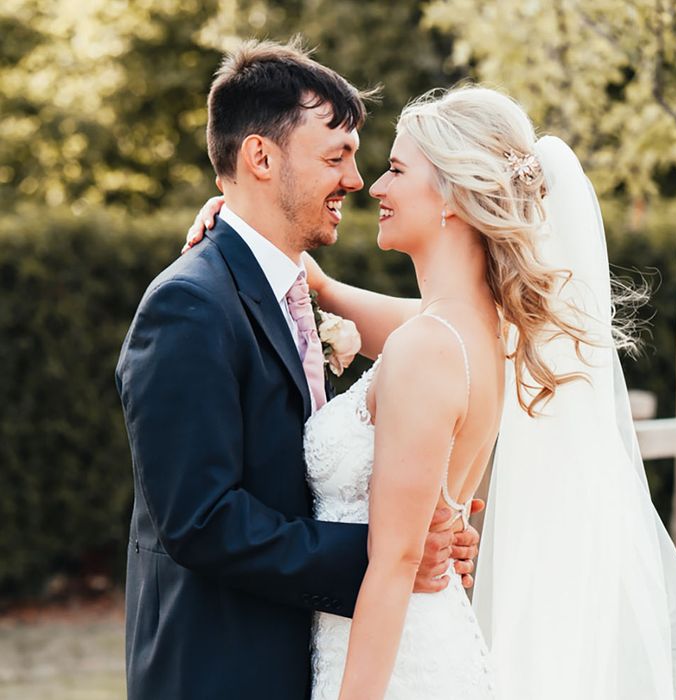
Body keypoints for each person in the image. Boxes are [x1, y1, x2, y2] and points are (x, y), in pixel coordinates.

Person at [188, 82, 676, 699]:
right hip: (426, 643)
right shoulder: (482, 333)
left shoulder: (430, 348)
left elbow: (393, 567)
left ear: (452, 196)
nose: (375, 188)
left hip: (392, 666)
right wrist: (246, 224)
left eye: (394, 169)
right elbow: (342, 300)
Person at [115, 39, 481, 700]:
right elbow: (201, 519)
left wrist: (431, 523)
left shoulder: (296, 292)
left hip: (313, 658)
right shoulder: (189, 305)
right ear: (261, 156)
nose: (356, 181)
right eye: (336, 156)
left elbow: (457, 342)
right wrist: (385, 555)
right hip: (223, 673)